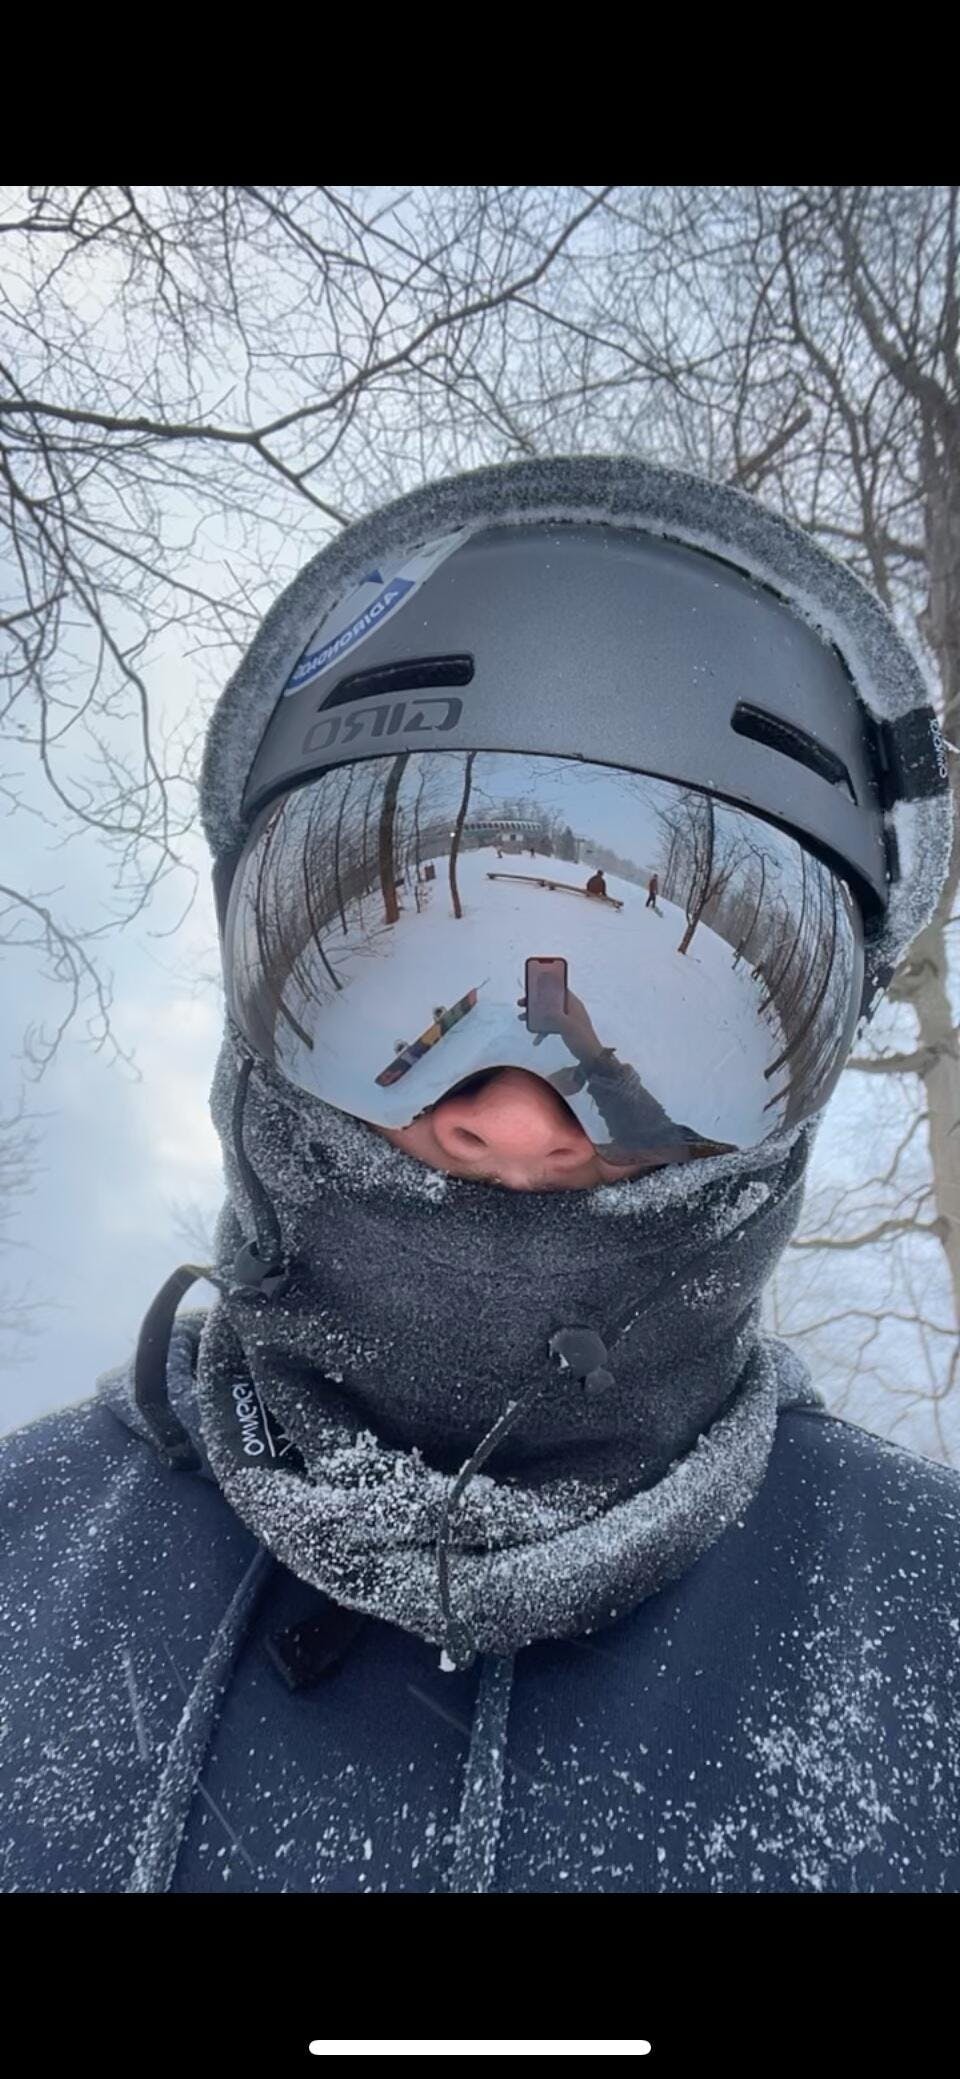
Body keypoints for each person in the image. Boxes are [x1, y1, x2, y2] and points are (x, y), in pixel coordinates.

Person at [1, 454, 957, 1898]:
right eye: (401, 991)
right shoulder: (25, 1558)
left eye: (671, 1026)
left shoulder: (929, 1631)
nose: (514, 1123)